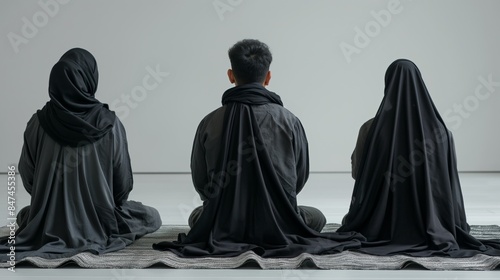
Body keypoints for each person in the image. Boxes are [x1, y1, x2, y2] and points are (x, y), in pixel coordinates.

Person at [153, 39, 364, 257]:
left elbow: (201, 181)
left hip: (224, 223)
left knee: (197, 217)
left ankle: (231, 231)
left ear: (231, 75)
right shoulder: (289, 120)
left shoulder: (209, 121)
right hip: (279, 221)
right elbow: (299, 177)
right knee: (316, 217)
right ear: (269, 77)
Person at [0, 48, 162, 260]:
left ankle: (47, 221)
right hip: (99, 220)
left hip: (50, 220)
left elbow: (28, 175)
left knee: (27, 215)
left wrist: (50, 200)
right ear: (90, 78)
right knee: (151, 216)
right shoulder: (109, 124)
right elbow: (122, 185)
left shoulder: (37, 123)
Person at [338, 59, 500, 257]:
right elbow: (448, 185)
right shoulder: (442, 132)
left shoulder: (370, 129)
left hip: (379, 225)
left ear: (387, 85)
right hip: (433, 223)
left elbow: (358, 175)